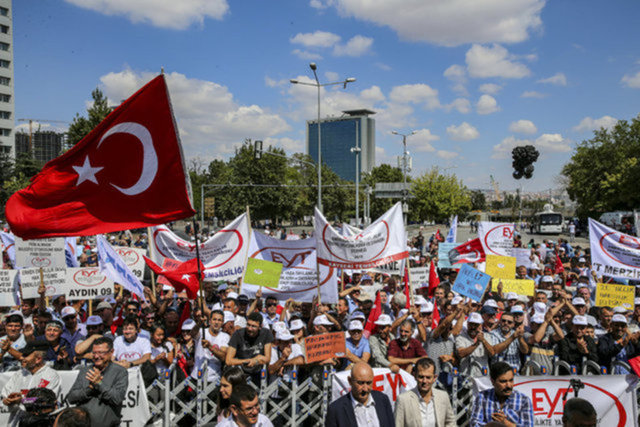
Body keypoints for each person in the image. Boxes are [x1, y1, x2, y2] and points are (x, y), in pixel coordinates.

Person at [67, 337, 128, 427]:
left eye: (101, 352)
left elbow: (117, 398)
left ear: (111, 352)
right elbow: (71, 398)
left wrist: (99, 384)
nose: (96, 356)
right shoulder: (85, 371)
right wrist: (89, 389)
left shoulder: (120, 372)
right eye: (94, 353)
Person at [1, 342, 61, 427]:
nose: (22, 358)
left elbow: (46, 401)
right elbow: (5, 394)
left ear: (38, 359)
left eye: (26, 356)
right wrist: (6, 400)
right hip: (16, 422)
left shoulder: (51, 376)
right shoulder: (19, 374)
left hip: (39, 422)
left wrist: (21, 400)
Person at [325, 362, 394, 427]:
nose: (365, 389)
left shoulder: (382, 400)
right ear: (350, 381)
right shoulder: (336, 410)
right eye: (360, 383)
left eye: (369, 383)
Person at [394, 357, 456, 427]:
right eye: (421, 377)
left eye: (428, 377)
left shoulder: (443, 396)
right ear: (414, 376)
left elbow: (450, 423)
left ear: (434, 378)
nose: (424, 381)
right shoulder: (403, 400)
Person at [470, 361, 533, 427]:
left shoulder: (524, 401)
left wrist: (506, 423)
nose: (508, 385)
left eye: (511, 380)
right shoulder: (482, 397)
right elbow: (474, 423)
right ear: (493, 381)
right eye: (503, 381)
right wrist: (492, 425)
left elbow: (528, 425)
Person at [225, 311, 273, 383]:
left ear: (260, 327)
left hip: (258, 372)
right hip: (241, 372)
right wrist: (247, 361)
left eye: (253, 326)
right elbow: (228, 360)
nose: (250, 329)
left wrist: (256, 360)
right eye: (248, 325)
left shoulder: (266, 333)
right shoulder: (238, 334)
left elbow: (267, 358)